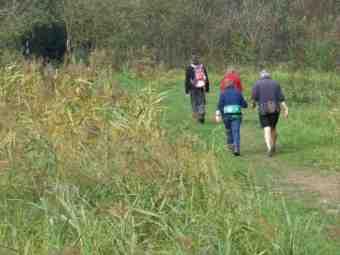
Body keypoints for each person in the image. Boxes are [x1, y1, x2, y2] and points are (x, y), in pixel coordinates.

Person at [251, 70, 289, 157]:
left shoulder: (257, 84)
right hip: (275, 108)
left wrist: (253, 105)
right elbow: (281, 98)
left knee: (266, 128)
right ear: (269, 76)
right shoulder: (276, 83)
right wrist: (286, 109)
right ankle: (274, 145)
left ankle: (269, 148)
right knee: (273, 128)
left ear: (261, 76)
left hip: (263, 108)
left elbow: (254, 97)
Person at [216, 78, 248, 156]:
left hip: (226, 115)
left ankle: (230, 145)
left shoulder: (223, 93)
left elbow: (220, 105)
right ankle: (236, 148)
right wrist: (245, 103)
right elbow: (244, 104)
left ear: (225, 85)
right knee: (236, 131)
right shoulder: (238, 92)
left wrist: (219, 114)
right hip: (236, 114)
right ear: (233, 84)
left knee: (228, 130)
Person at [185, 52, 210, 123]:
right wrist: (207, 88)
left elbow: (187, 80)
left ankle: (198, 115)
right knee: (201, 101)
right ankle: (201, 113)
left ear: (191, 60)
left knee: (194, 102)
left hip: (192, 88)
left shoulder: (189, 68)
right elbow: (206, 78)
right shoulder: (202, 67)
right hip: (201, 88)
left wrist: (187, 91)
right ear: (198, 60)